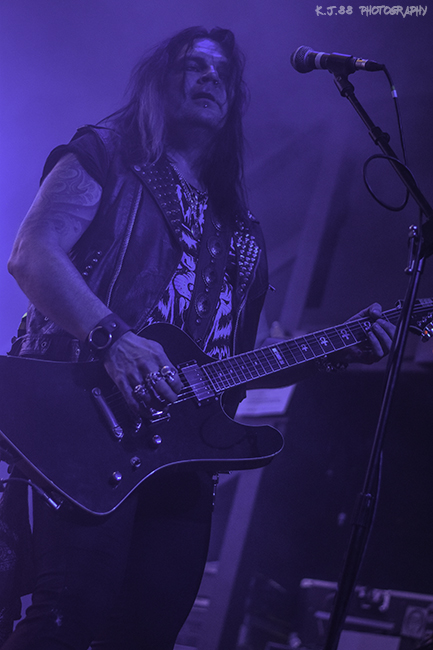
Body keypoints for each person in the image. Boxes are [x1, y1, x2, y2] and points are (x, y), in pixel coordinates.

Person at [0, 26, 395, 650]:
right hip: (87, 419)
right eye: (193, 65)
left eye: (222, 73)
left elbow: (234, 366)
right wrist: (113, 338)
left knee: (149, 633)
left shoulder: (242, 233)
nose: (210, 77)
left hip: (182, 459)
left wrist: (334, 350)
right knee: (68, 615)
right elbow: (32, 254)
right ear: (160, 82)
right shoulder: (106, 153)